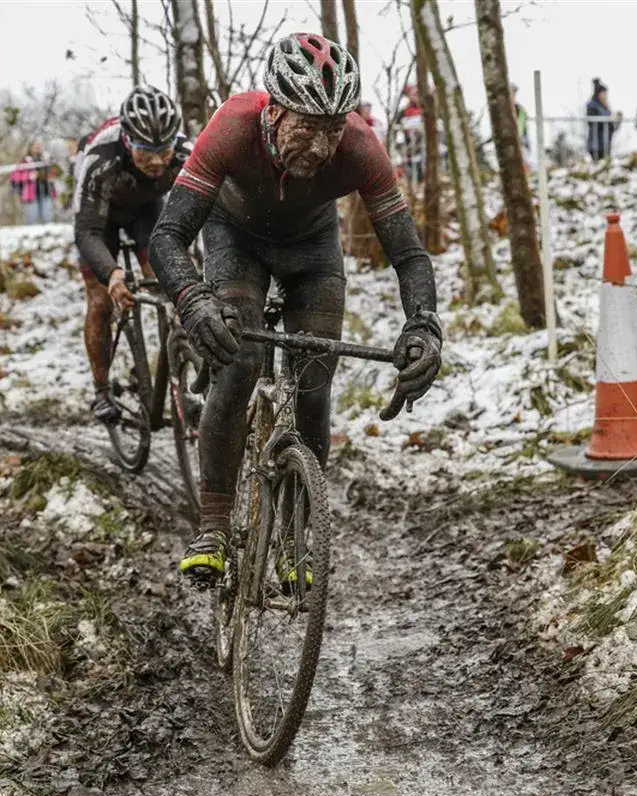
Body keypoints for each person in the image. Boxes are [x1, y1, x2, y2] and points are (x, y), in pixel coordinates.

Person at [149, 33, 442, 585]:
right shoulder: (233, 126)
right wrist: (194, 302)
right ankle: (212, 525)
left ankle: (294, 535)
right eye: (305, 127)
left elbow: (408, 253)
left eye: (331, 130)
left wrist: (424, 325)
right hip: (235, 240)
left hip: (313, 252)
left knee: (314, 382)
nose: (319, 145)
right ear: (275, 111)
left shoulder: (360, 146)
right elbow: (166, 237)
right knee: (237, 363)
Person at [74, 86, 188, 425]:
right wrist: (111, 275)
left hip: (146, 211)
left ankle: (178, 372)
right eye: (144, 152)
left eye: (163, 151)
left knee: (170, 279)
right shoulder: (101, 157)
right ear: (127, 141)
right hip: (99, 221)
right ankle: (101, 391)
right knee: (100, 301)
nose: (156, 161)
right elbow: (86, 232)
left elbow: (212, 212)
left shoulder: (186, 153)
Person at [10, 140, 56, 224]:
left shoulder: (47, 159)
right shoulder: (25, 161)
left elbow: (56, 173)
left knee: (48, 219)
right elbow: (15, 177)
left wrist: (50, 174)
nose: (37, 147)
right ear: (30, 147)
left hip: (46, 193)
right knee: (32, 221)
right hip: (31, 196)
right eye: (35, 145)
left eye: (39, 145)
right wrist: (29, 176)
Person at [585, 78, 622, 161]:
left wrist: (617, 120)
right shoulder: (592, 106)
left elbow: (612, 127)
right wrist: (608, 119)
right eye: (603, 93)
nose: (605, 96)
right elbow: (592, 122)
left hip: (606, 144)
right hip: (596, 145)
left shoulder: (606, 108)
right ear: (598, 94)